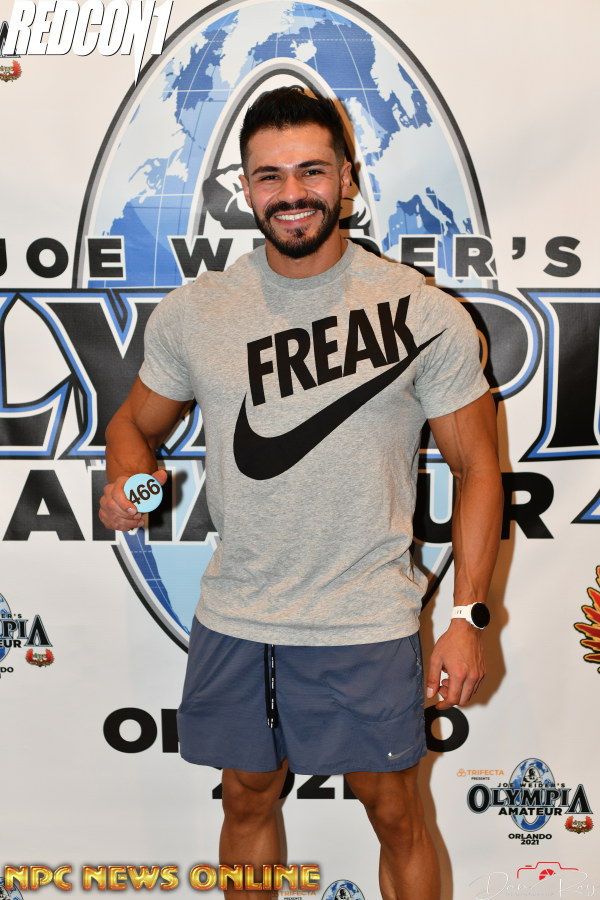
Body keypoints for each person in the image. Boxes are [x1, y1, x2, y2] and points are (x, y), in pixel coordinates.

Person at [99, 86, 503, 900]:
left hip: (367, 619)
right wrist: (130, 482)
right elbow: (133, 425)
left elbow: (478, 469)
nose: (292, 193)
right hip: (238, 615)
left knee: (396, 813)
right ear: (244, 189)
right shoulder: (197, 313)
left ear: (346, 179)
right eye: (270, 175)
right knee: (246, 798)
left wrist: (467, 617)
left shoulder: (423, 313)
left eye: (312, 171)